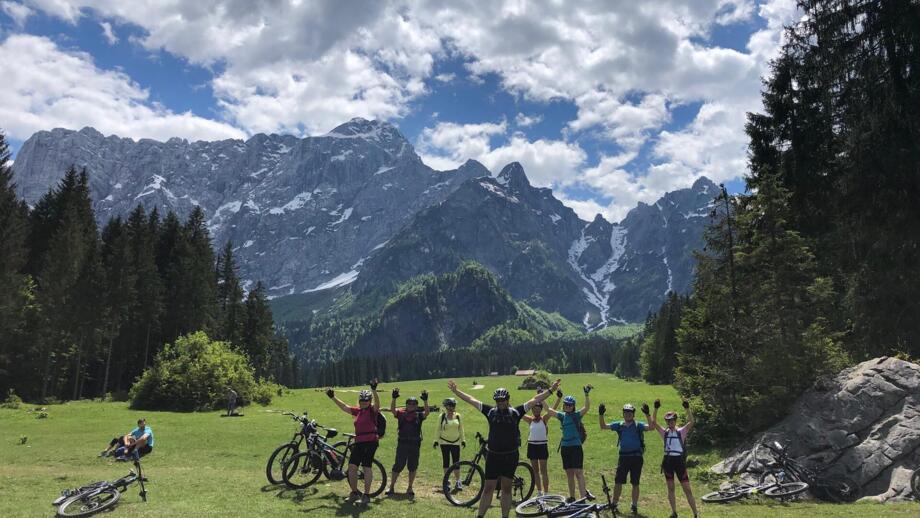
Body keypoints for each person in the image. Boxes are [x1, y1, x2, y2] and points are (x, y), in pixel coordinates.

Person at [448, 378, 561, 518]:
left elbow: (534, 399)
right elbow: (471, 400)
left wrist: (551, 390)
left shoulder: (516, 412)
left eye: (503, 400)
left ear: (508, 400)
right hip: (493, 456)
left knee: (506, 488)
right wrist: (456, 391)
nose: (500, 403)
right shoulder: (490, 411)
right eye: (498, 400)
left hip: (510, 456)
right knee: (488, 488)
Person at [327, 379, 381, 506]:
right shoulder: (358, 411)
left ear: (369, 401)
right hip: (359, 442)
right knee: (352, 467)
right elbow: (344, 407)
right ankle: (354, 493)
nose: (363, 403)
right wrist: (333, 397)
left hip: (370, 442)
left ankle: (366, 495)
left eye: (366, 401)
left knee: (366, 466)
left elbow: (378, 403)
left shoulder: (373, 411)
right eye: (362, 401)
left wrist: (374, 390)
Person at [650, 399, 699, 518]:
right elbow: (654, 423)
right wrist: (655, 408)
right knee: (670, 488)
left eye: (672, 421)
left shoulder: (681, 431)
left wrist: (687, 408)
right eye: (668, 421)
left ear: (675, 421)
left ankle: (696, 514)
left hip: (679, 462)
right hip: (668, 462)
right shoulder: (665, 433)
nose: (670, 423)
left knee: (687, 489)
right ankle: (674, 512)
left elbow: (692, 422)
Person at [543, 385, 593, 503]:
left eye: (570, 405)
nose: (567, 406)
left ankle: (583, 498)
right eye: (566, 404)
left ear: (573, 406)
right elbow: (549, 410)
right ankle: (572, 497)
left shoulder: (577, 415)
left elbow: (586, 408)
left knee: (579, 473)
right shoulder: (562, 416)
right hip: (565, 448)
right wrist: (541, 398)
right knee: (569, 474)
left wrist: (586, 395)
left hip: (576, 447)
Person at [598, 402, 649, 515]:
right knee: (618, 481)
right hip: (623, 457)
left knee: (635, 483)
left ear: (633, 414)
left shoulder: (638, 425)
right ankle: (614, 503)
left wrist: (647, 414)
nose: (627, 414)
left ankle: (634, 506)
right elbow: (603, 426)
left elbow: (651, 427)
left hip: (636, 457)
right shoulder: (619, 425)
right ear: (623, 414)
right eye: (626, 412)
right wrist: (601, 414)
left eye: (630, 412)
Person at [387, 388, 430, 497]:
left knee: (413, 466)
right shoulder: (401, 414)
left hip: (415, 445)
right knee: (398, 465)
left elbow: (427, 412)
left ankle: (410, 487)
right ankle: (391, 486)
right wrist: (394, 398)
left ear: (416, 405)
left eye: (414, 404)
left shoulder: (419, 415)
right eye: (409, 403)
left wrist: (425, 401)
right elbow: (392, 410)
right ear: (406, 405)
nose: (411, 405)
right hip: (402, 444)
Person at [521, 389, 562, 497]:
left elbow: (552, 410)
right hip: (532, 446)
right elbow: (518, 413)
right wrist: (508, 404)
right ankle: (539, 492)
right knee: (535, 471)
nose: (536, 410)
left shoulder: (544, 418)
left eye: (538, 408)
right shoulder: (530, 420)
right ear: (532, 410)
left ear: (540, 409)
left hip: (542, 446)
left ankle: (546, 493)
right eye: (534, 408)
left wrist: (558, 398)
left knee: (544, 471)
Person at [434, 397, 466, 492]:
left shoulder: (458, 416)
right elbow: (438, 429)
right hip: (444, 442)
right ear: (446, 406)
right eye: (450, 405)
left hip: (455, 443)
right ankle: (447, 481)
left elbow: (461, 429)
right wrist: (435, 440)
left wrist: (463, 440)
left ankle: (458, 481)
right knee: (446, 462)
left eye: (453, 405)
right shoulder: (442, 416)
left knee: (456, 463)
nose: (452, 407)